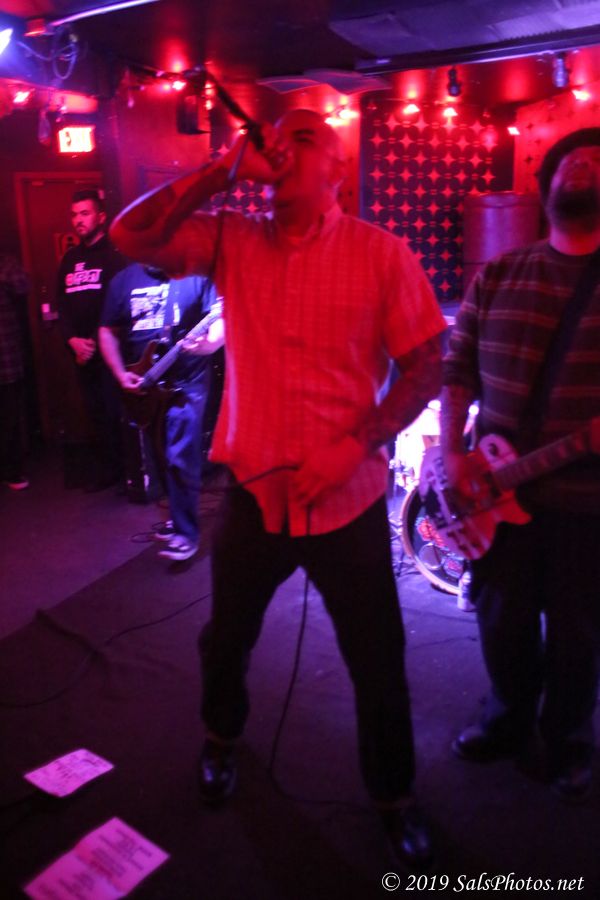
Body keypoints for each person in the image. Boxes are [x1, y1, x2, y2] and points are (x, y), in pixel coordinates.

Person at [110, 109, 446, 868]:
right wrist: (222, 168)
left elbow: (428, 363)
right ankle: (220, 738)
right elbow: (130, 239)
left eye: (305, 138)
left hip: (348, 499)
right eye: (276, 135)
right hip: (255, 495)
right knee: (225, 638)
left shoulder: (381, 254)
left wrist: (357, 445)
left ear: (339, 172)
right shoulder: (235, 239)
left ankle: (394, 796)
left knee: (378, 659)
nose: (282, 146)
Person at [441, 128, 600, 801]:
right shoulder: (501, 273)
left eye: (597, 162)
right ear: (547, 184)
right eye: (572, 159)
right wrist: (451, 453)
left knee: (578, 634)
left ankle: (567, 737)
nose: (583, 165)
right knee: (500, 621)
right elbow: (456, 370)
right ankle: (507, 717)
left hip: (586, 505)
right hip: (494, 491)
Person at [99, 263, 223, 561]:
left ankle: (187, 535)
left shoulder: (196, 275)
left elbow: (221, 318)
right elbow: (107, 330)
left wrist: (208, 345)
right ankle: (177, 519)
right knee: (160, 455)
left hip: (187, 382)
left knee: (181, 455)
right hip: (146, 381)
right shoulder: (123, 280)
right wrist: (120, 374)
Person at [56, 189, 126, 491]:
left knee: (116, 413)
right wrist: (72, 339)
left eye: (85, 213)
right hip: (81, 353)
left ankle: (129, 474)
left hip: (110, 353)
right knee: (95, 414)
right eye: (74, 215)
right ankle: (109, 471)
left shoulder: (114, 256)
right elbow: (61, 305)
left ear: (101, 216)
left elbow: (120, 304)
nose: (78, 220)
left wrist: (97, 341)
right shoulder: (70, 259)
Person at [0, 251, 31, 490]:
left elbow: (23, 286)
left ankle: (11, 471)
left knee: (9, 418)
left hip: (5, 357)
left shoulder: (5, 262)